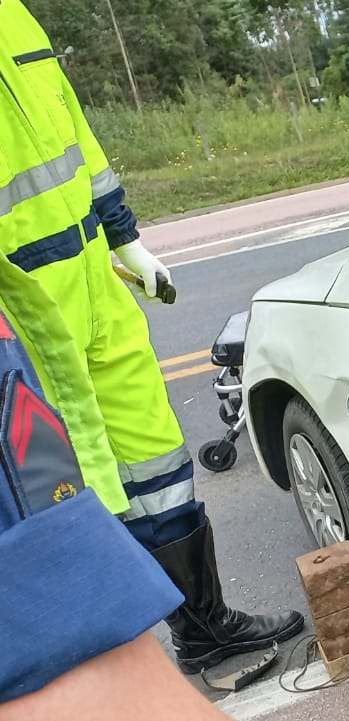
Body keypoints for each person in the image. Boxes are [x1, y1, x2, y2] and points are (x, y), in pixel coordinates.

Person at [0, 0, 302, 673]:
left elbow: (77, 139)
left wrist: (126, 237)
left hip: (91, 278)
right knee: (66, 492)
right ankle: (118, 669)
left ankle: (205, 628)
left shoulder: (15, 18)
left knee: (155, 462)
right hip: (17, 308)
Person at [0, 260, 230, 721]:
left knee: (161, 481)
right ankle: (200, 629)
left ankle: (204, 627)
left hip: (83, 322)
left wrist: (126, 238)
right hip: (51, 347)